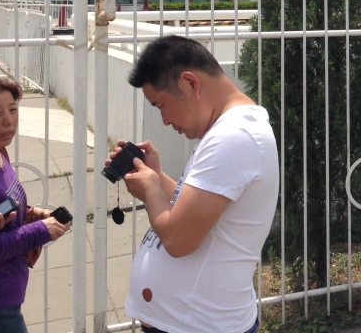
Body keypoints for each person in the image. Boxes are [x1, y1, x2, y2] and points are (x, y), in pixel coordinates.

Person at [112, 35, 279, 333]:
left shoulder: (235, 136)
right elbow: (193, 207)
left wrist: (150, 189)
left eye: (161, 104)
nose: (164, 120)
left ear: (190, 83)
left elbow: (178, 239)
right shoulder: (227, 132)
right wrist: (156, 176)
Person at [0, 75, 70, 333]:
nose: (8, 121)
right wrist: (39, 231)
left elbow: (5, 212)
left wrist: (31, 215)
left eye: (13, 109)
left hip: (9, 292)